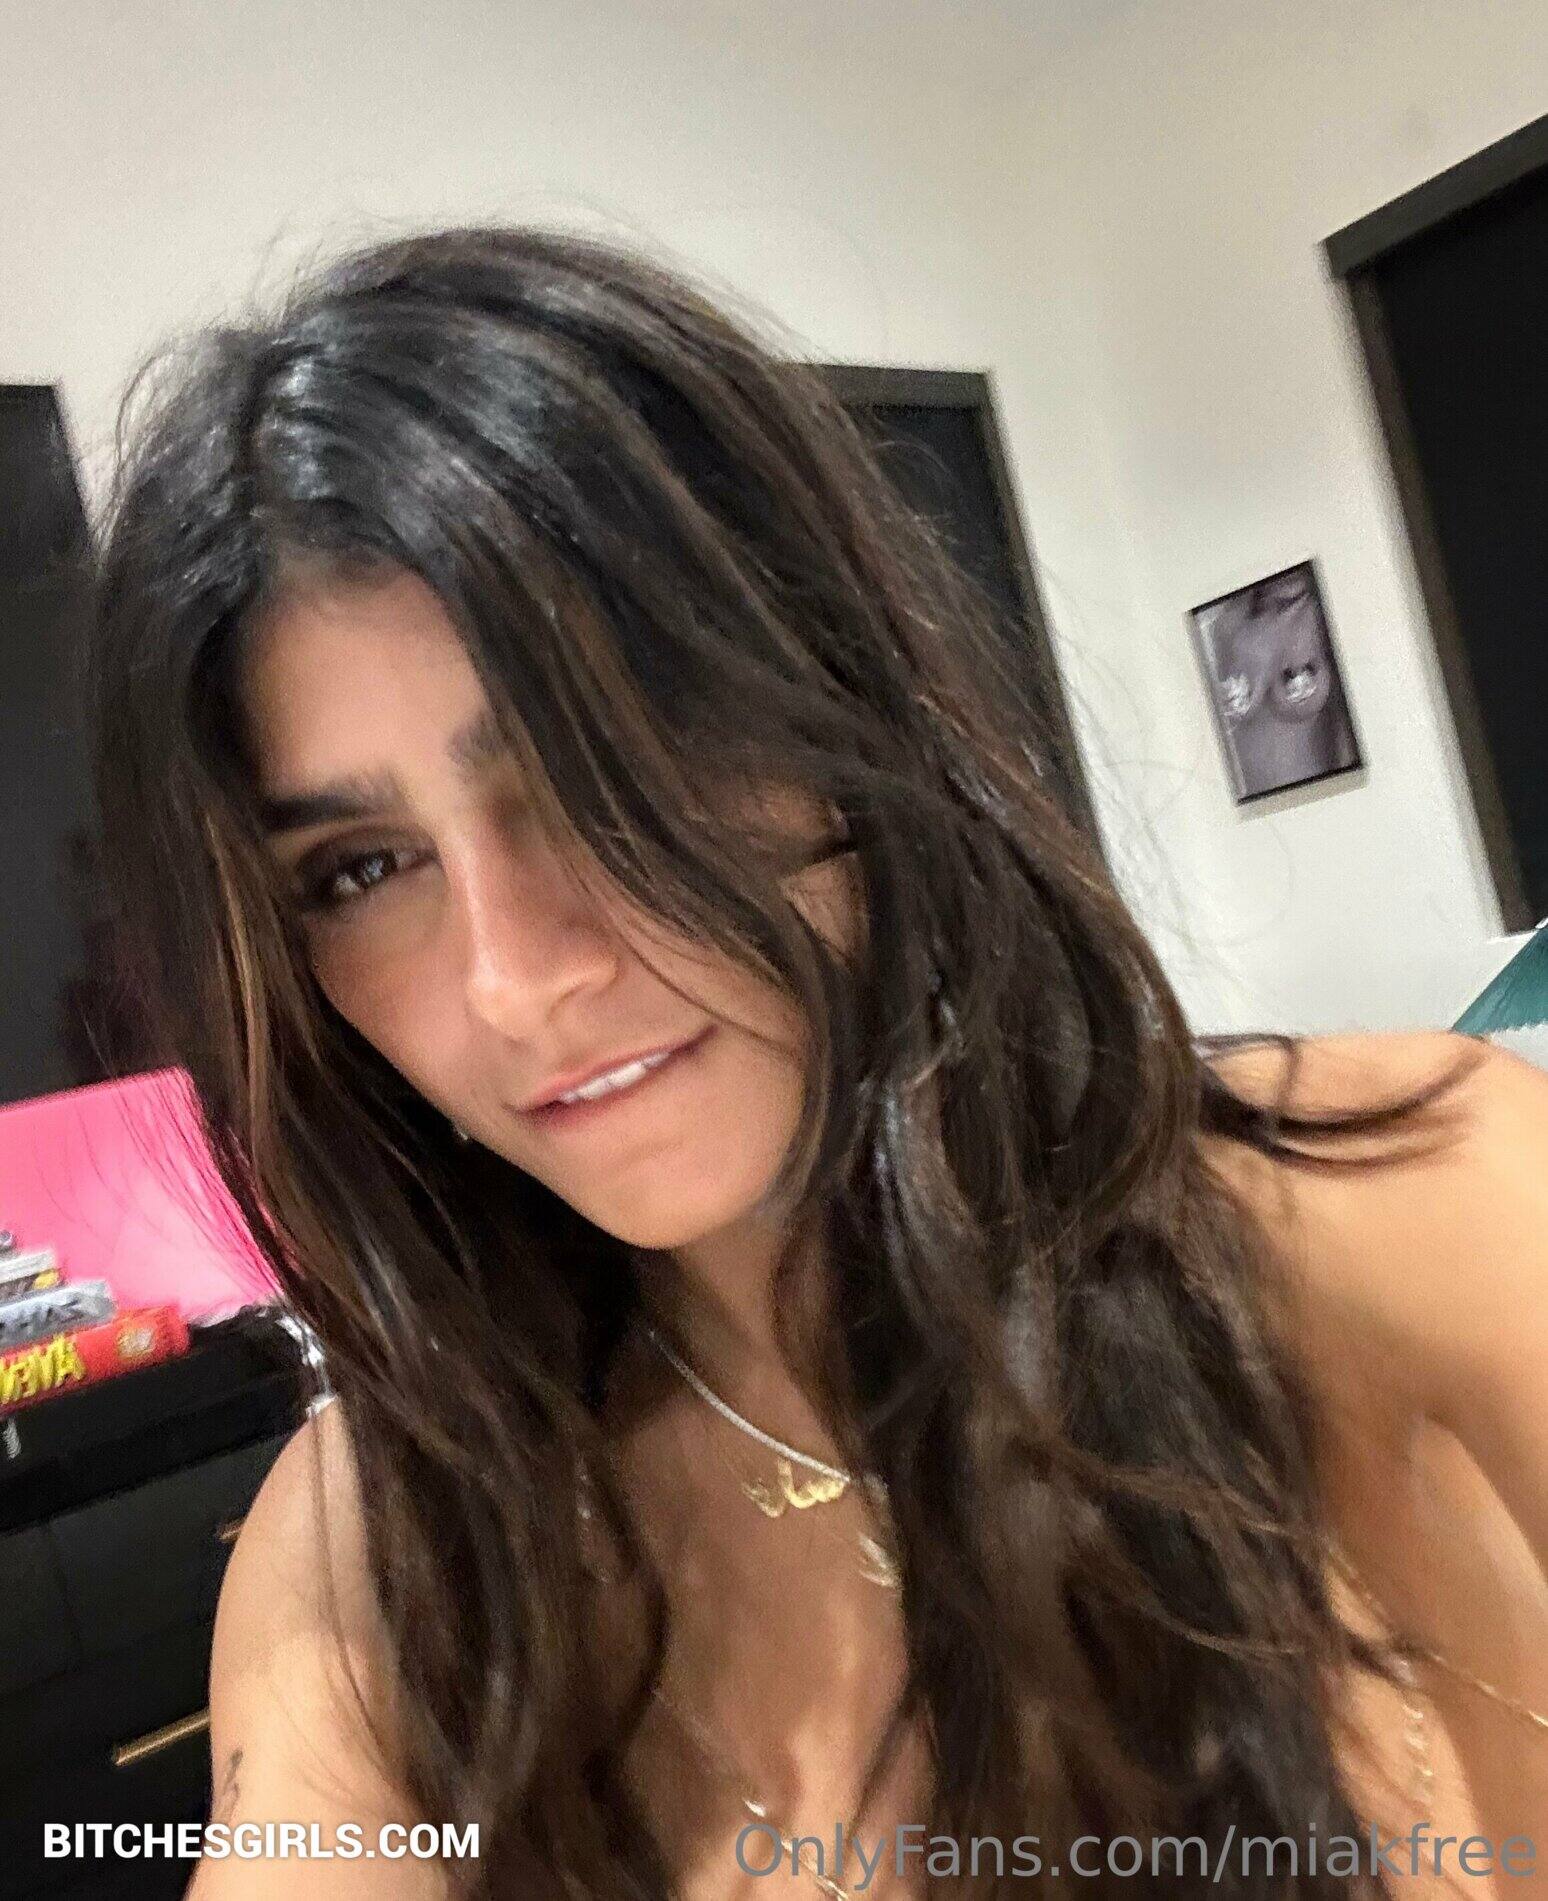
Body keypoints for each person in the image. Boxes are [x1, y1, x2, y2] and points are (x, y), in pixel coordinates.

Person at [83, 225, 1546, 1900]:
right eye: (360, 868)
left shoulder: (1408, 1198)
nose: (515, 976)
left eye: (597, 759)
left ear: (826, 699)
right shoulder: (385, 1551)